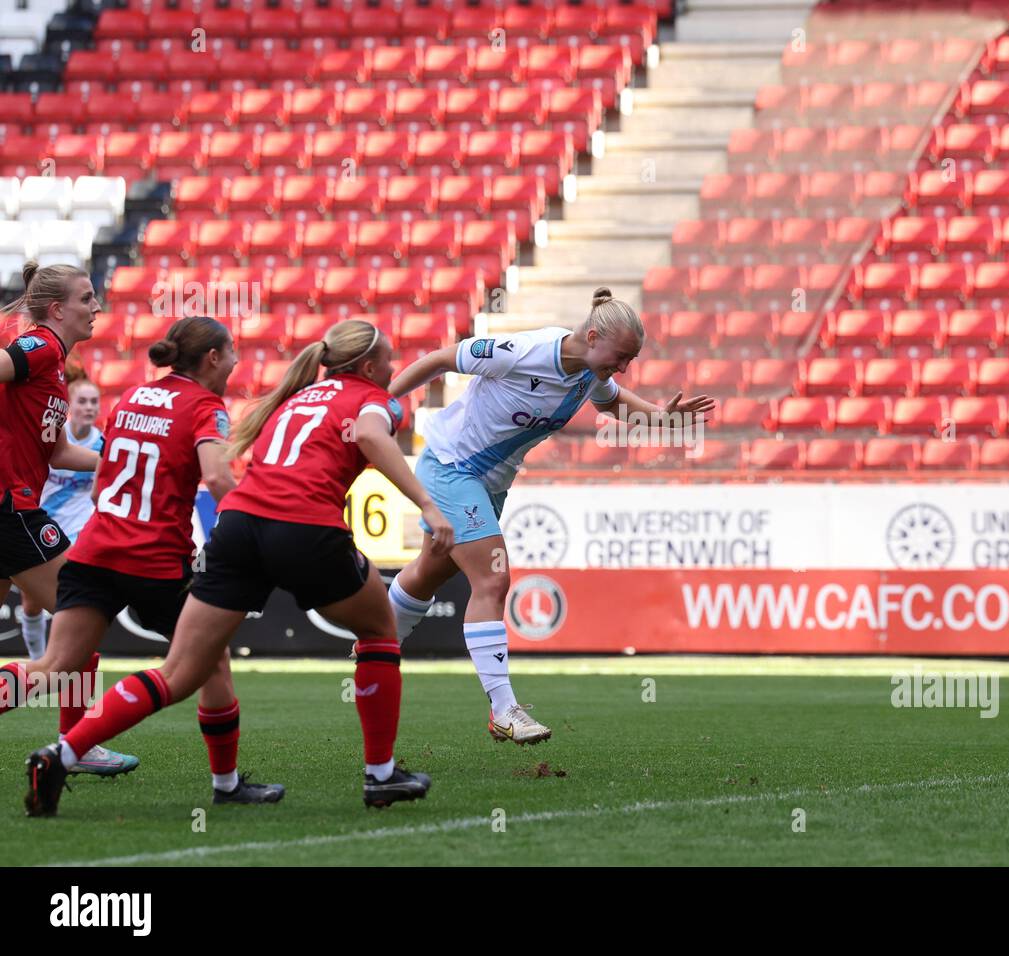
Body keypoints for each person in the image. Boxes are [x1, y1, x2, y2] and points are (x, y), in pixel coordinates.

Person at [25, 319, 455, 816]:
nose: (393, 367)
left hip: (236, 528)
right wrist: (426, 503)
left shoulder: (293, 398)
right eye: (388, 360)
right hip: (297, 527)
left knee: (180, 671)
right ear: (366, 365)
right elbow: (368, 434)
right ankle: (381, 776)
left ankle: (62, 755)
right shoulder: (366, 398)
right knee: (380, 628)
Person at [384, 288, 714, 744]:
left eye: (628, 362)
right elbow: (441, 359)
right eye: (620, 358)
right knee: (493, 579)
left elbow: (613, 401)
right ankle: (504, 710)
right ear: (593, 336)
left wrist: (662, 417)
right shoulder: (522, 352)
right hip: (451, 467)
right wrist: (381, 404)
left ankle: (375, 644)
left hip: (491, 483)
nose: (622, 369)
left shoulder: (589, 371)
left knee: (426, 574)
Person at [0, 261, 135, 774]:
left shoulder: (54, 366)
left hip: (10, 508)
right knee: (85, 616)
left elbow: (56, 453)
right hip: (13, 509)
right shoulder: (43, 347)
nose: (96, 306)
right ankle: (77, 746)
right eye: (87, 298)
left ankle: (76, 745)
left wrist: (117, 462)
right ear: (58, 310)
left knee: (79, 626)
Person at [18, 376, 103, 660]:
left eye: (94, 402)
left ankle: (63, 661)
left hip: (78, 530)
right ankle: (38, 662)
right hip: (42, 522)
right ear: (70, 406)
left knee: (72, 596)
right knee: (31, 603)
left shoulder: (103, 443)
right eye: (83, 401)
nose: (89, 407)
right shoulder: (52, 436)